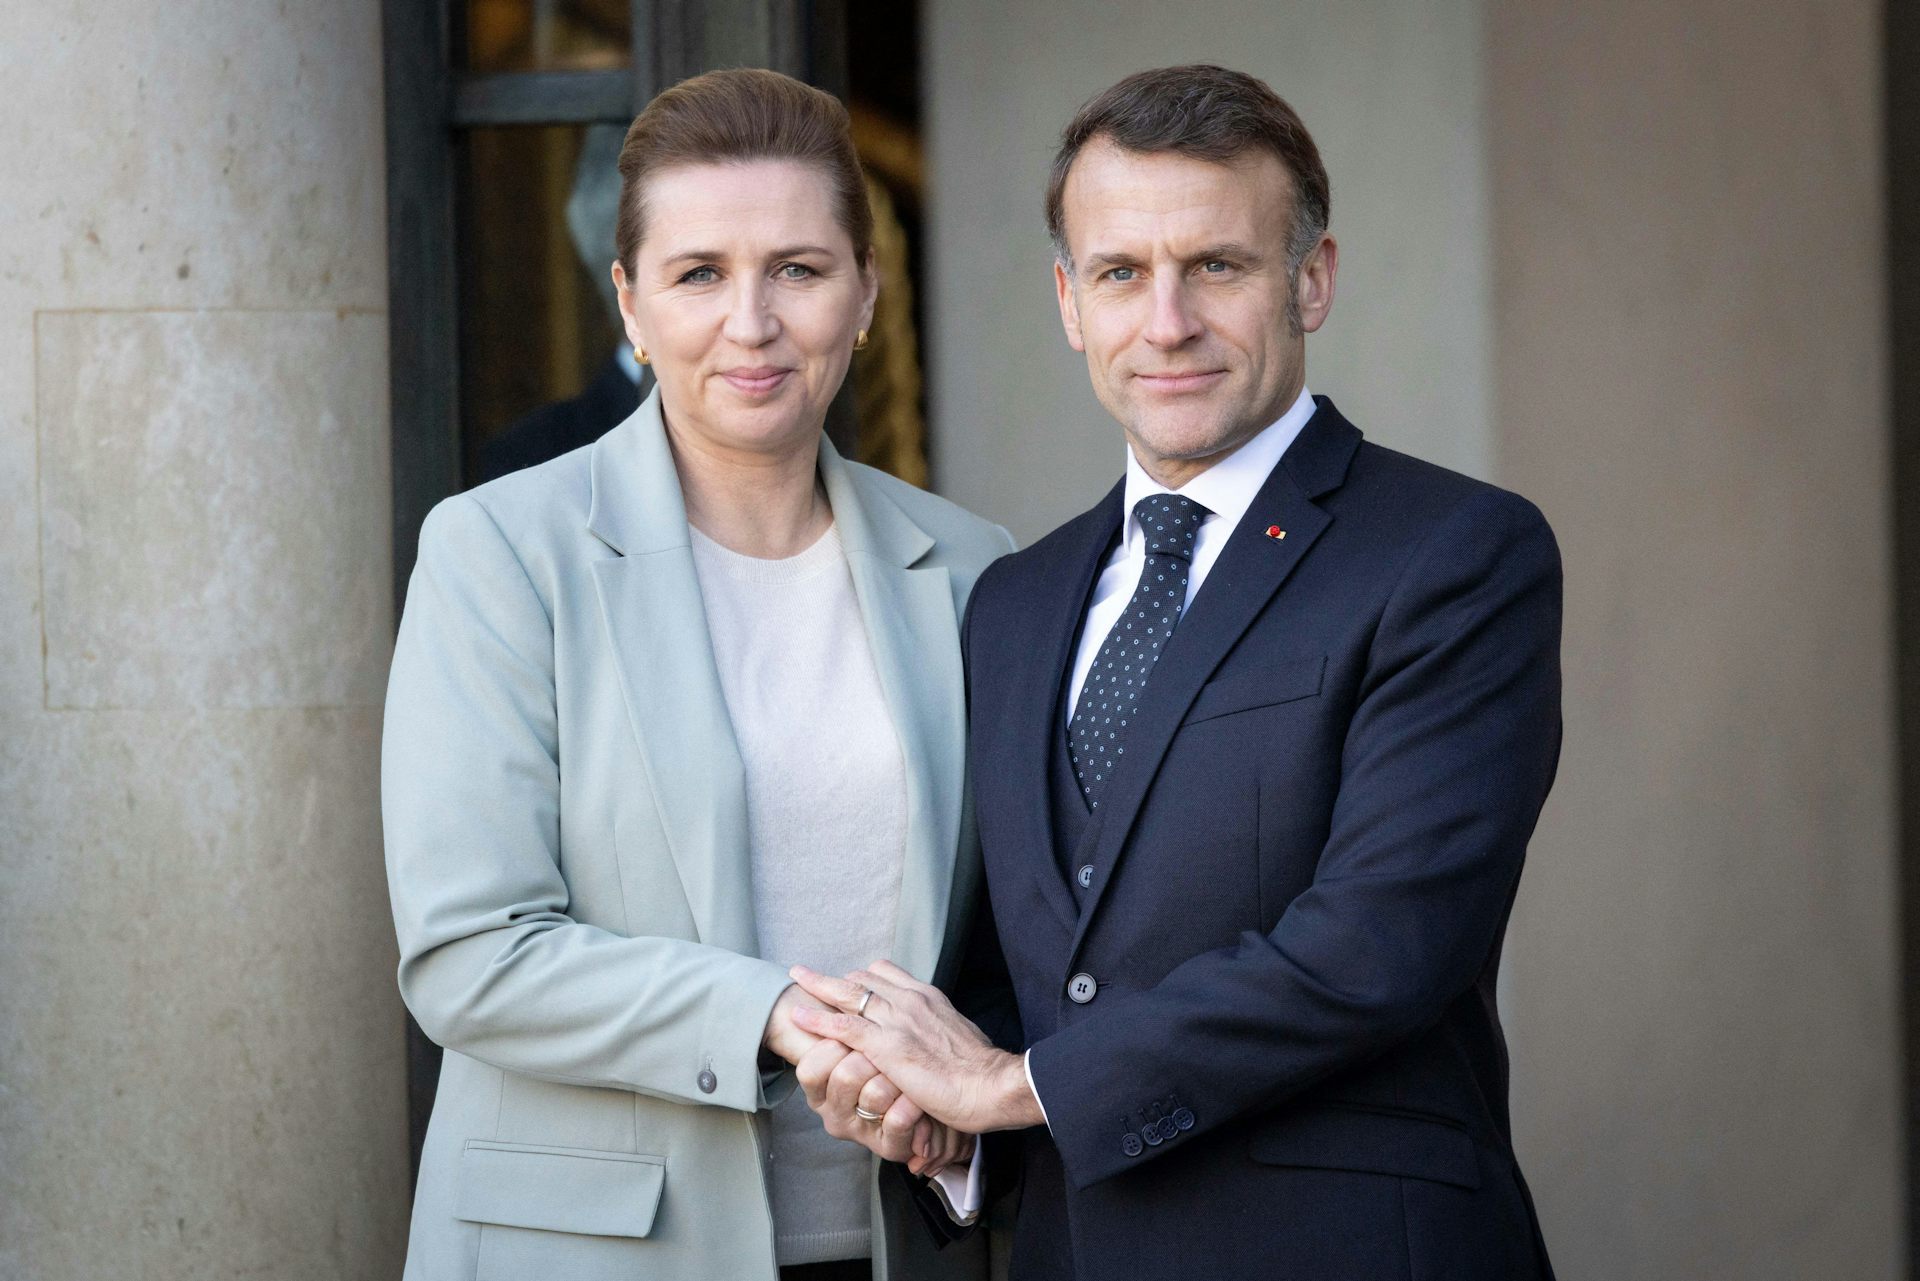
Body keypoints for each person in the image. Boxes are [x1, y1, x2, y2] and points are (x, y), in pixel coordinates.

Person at [788, 64, 1563, 1279]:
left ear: (1310, 280)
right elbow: (1018, 971)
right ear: (1066, 300)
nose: (1166, 323)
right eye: (1119, 274)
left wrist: (1021, 1084)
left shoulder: (1455, 553)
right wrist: (938, 1118)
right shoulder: (1015, 602)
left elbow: (1380, 943)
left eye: (1217, 266)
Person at [381, 68, 1009, 1281]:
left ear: (868, 291)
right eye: (699, 274)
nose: (753, 322)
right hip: (589, 1250)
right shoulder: (502, 551)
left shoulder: (976, 569)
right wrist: (768, 1014)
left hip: (894, 1242)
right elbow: (469, 954)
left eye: (800, 269)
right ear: (629, 302)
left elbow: (1003, 938)